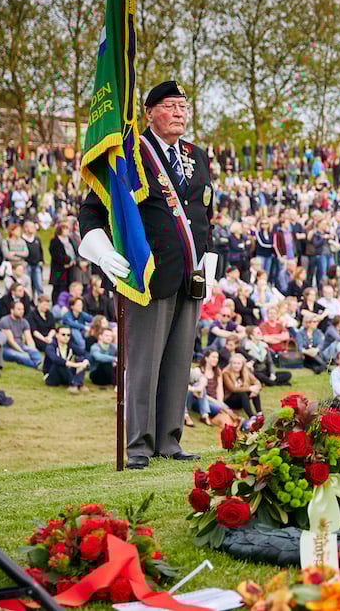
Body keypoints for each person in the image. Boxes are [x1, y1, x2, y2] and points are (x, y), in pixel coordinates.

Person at [78, 80, 215, 469]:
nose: (178, 113)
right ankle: (139, 445)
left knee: (177, 363)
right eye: (170, 106)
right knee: (144, 364)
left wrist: (209, 262)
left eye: (183, 107)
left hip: (190, 275)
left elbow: (204, 212)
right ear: (150, 112)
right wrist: (103, 253)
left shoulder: (196, 155)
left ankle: (169, 440)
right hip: (147, 278)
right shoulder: (128, 153)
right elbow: (92, 210)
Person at [43, 325, 88, 393]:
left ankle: (76, 383)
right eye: (63, 334)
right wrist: (76, 365)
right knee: (59, 364)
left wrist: (85, 361)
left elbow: (85, 353)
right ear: (57, 335)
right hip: (52, 376)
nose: (66, 337)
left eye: (68, 335)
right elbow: (56, 359)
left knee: (81, 360)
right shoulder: (50, 346)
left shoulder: (70, 345)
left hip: (65, 373)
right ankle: (76, 384)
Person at [0, 300, 42, 368]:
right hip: (6, 348)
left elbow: (29, 339)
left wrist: (32, 349)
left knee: (34, 351)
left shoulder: (24, 322)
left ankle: (40, 364)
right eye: (19, 309)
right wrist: (22, 352)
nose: (22, 311)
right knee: (22, 356)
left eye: (22, 309)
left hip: (20, 345)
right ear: (12, 310)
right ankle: (38, 365)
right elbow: (11, 341)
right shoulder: (4, 321)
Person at [221, 352, 262, 419]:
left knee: (255, 390)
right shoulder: (226, 373)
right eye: (234, 363)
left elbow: (256, 381)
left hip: (242, 400)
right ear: (231, 364)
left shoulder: (245, 371)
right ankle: (251, 416)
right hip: (229, 400)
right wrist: (250, 388)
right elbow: (232, 389)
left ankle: (259, 413)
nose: (236, 365)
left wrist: (256, 388)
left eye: (238, 363)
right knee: (243, 393)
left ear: (242, 364)